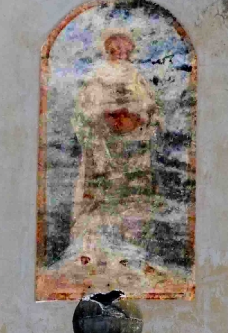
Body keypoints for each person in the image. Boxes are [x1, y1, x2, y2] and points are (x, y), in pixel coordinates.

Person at [68, 29, 165, 271]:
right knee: (95, 200)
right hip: (102, 147)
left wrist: (135, 119)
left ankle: (127, 252)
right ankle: (90, 251)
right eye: (115, 48)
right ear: (108, 49)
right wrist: (106, 119)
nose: (120, 52)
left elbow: (151, 111)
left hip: (131, 151)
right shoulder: (98, 75)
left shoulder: (136, 77)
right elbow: (85, 110)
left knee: (130, 201)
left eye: (125, 48)